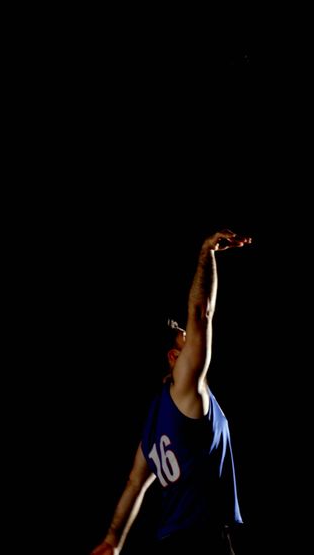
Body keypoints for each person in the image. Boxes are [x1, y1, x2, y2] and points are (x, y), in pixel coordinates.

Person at [91, 229, 251, 555]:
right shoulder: (187, 388)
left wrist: (113, 539)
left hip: (172, 542)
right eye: (182, 334)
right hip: (204, 539)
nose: (188, 334)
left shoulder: (153, 425)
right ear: (174, 357)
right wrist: (207, 253)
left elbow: (135, 484)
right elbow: (201, 313)